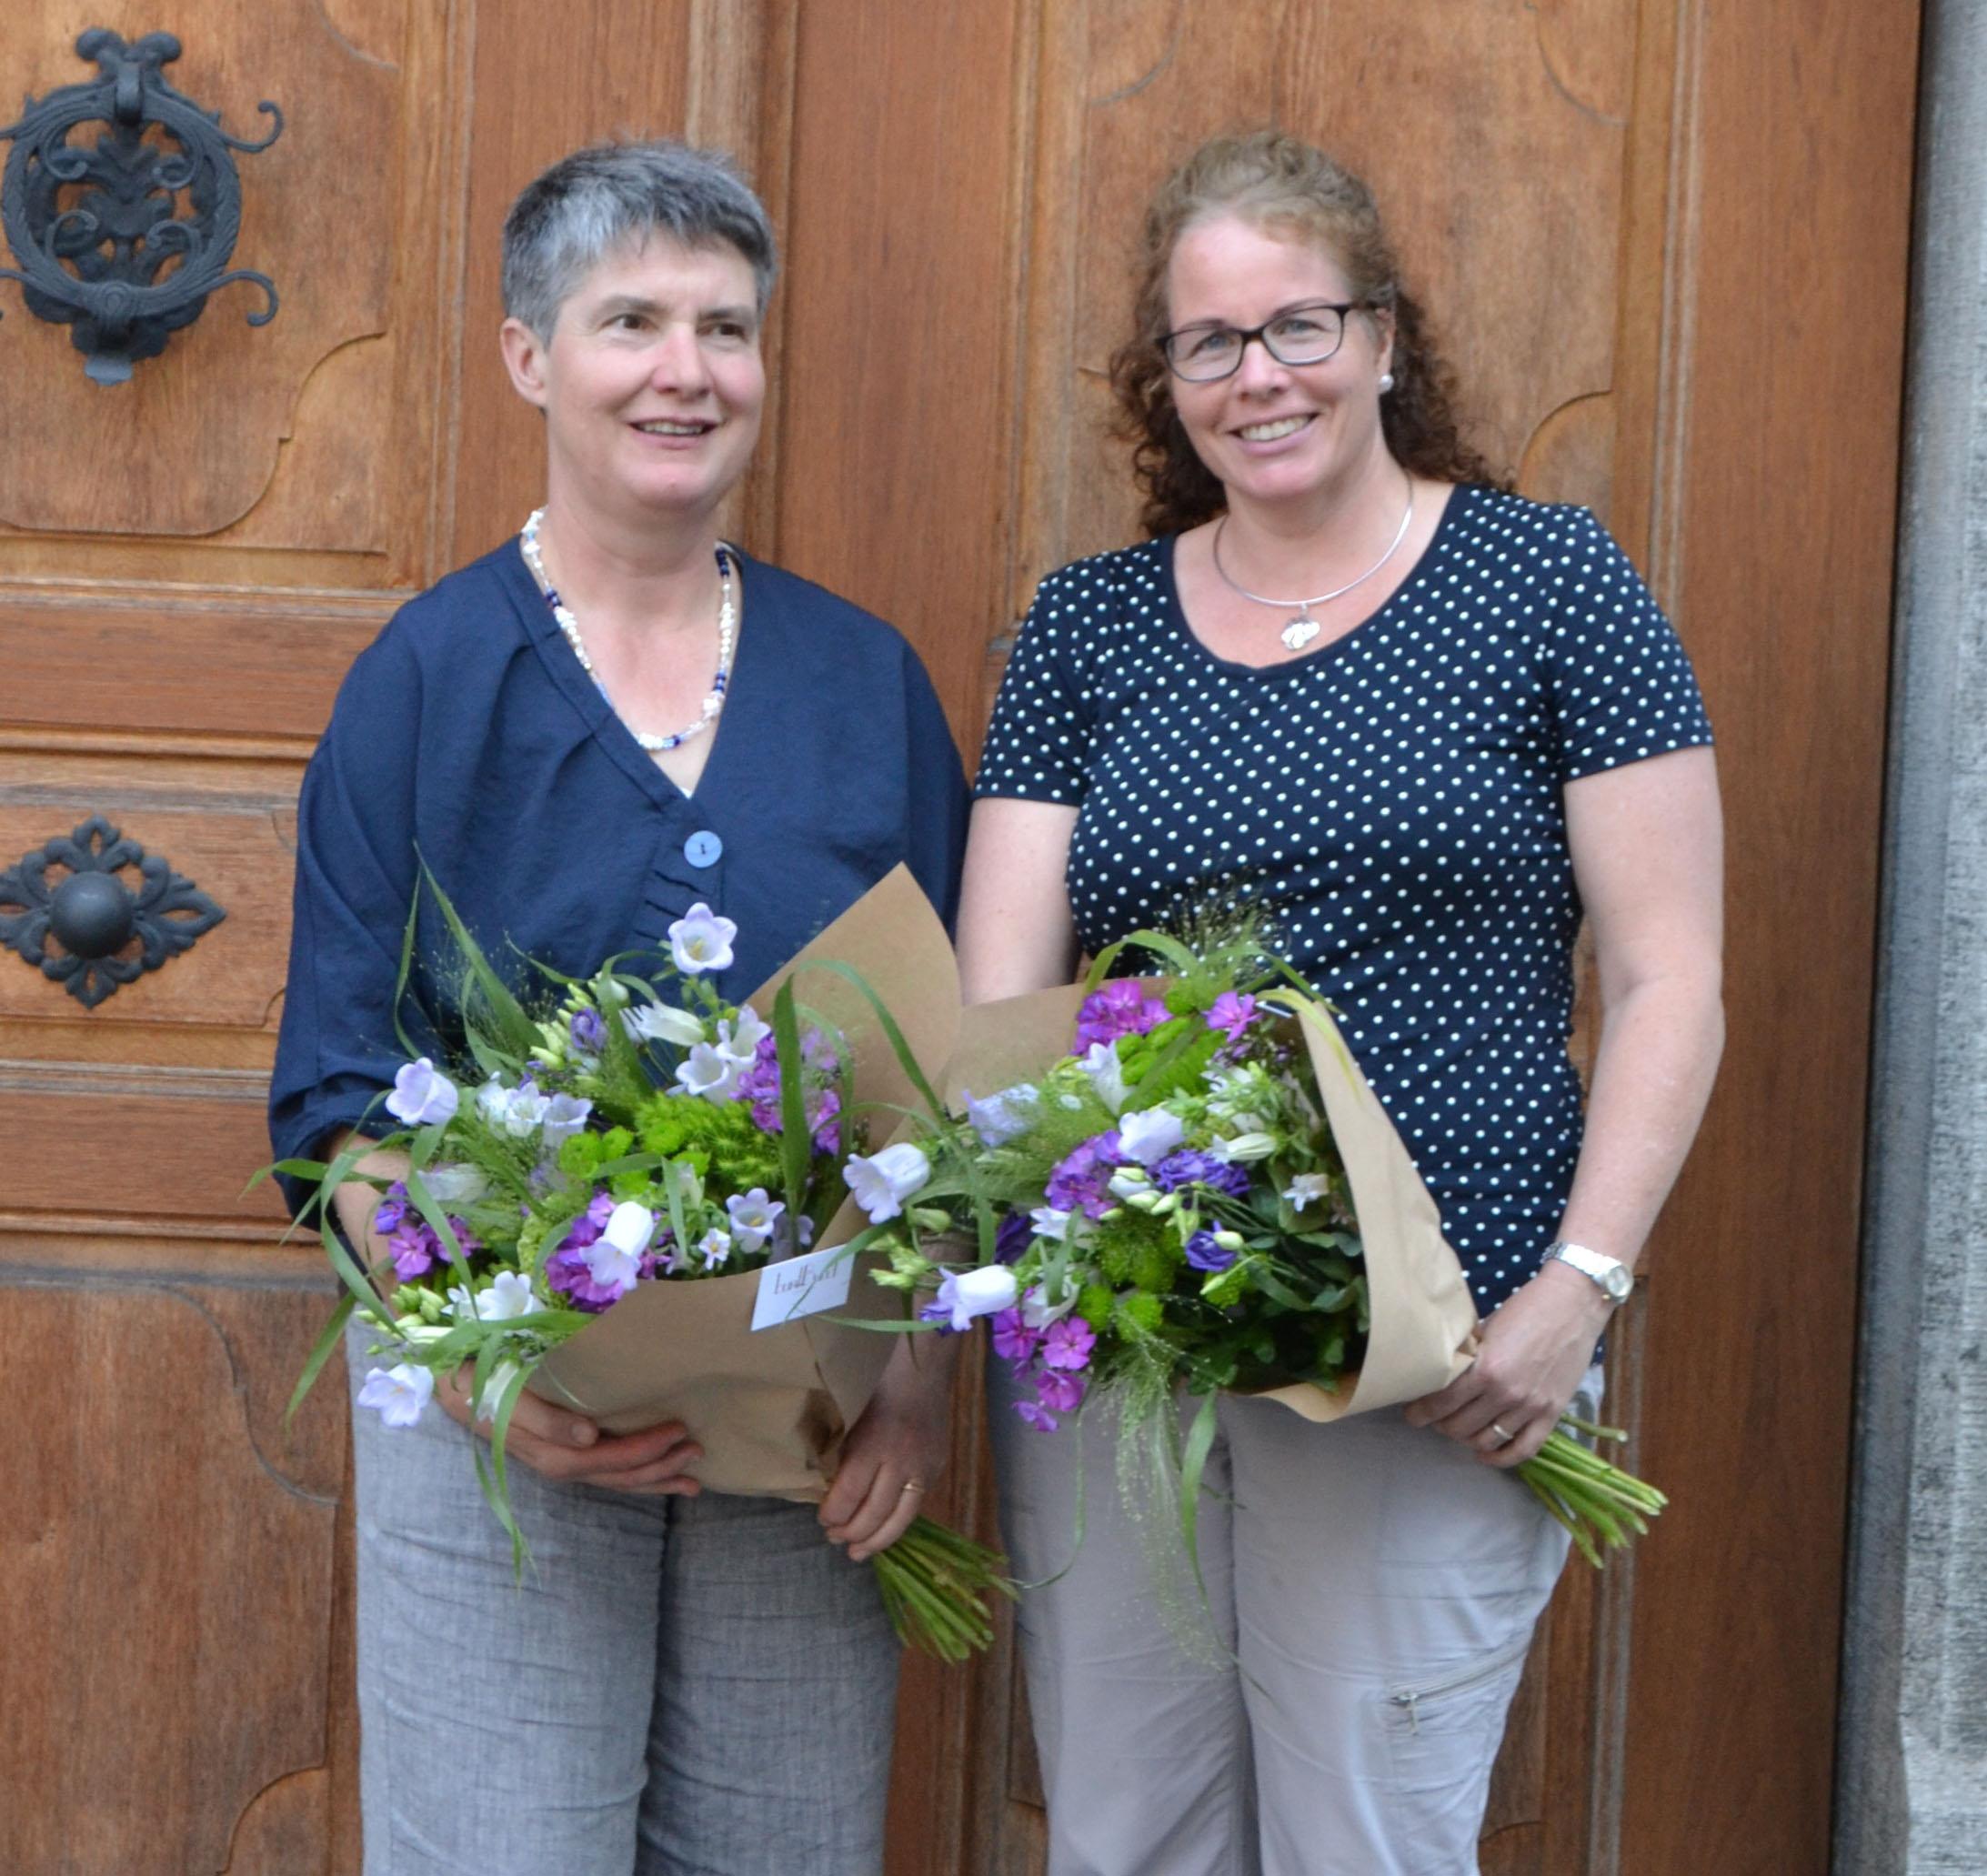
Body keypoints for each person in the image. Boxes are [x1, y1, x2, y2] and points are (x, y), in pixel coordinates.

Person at [958, 131, 1723, 1875]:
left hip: (1438, 1344)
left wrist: (1574, 1298)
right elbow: (1000, 1004)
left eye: (1299, 326)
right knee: (1126, 1837)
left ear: (1386, 338)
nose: (1259, 378)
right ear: (1162, 383)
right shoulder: (1088, 630)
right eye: (1208, 344)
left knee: (1364, 1840)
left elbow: (1675, 975)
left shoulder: (1547, 586)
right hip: (1136, 1332)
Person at [269, 141, 967, 1876]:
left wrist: (917, 1381)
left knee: (783, 1849)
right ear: (528, 356)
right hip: (503, 1406)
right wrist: (475, 1376)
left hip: (808, 1412)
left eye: (725, 329)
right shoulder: (425, 679)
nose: (686, 371)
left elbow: (949, 1073)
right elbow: (340, 1099)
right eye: (630, 320)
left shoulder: (861, 680)